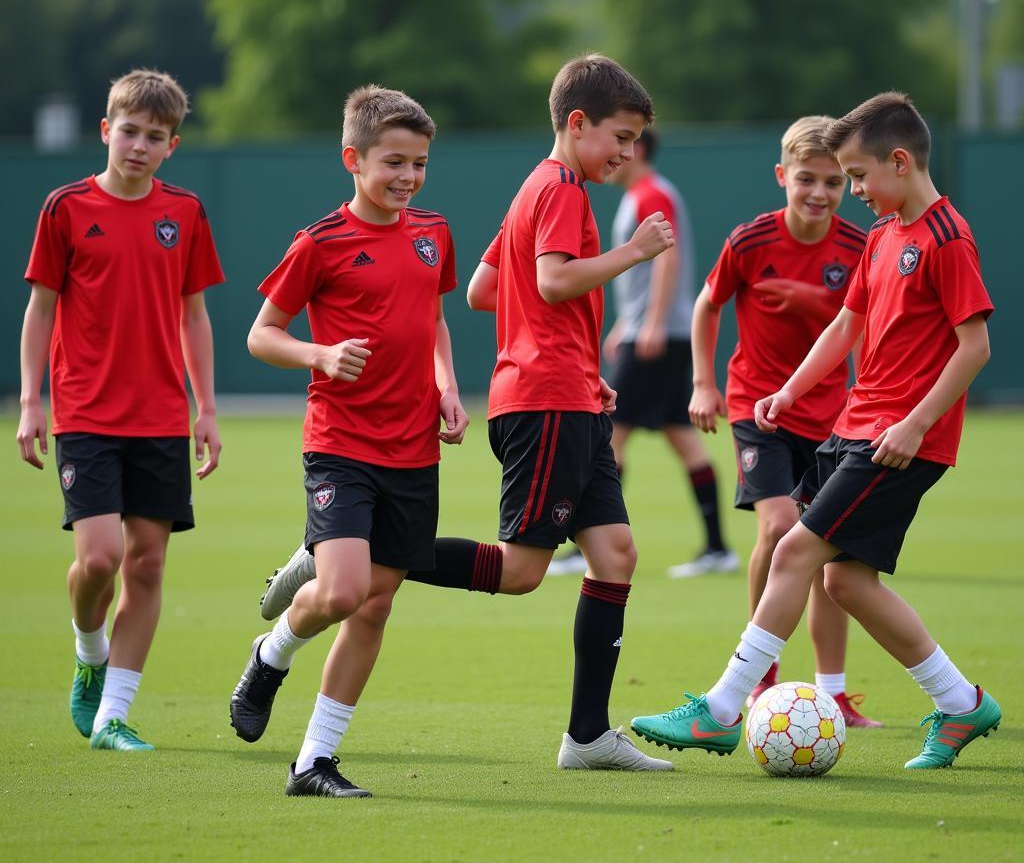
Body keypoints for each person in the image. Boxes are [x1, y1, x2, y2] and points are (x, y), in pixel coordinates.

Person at [260, 54, 677, 772]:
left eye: (636, 140)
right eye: (621, 135)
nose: (628, 153)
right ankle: (349, 554)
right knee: (519, 572)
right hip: (544, 400)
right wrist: (632, 253)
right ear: (577, 124)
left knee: (615, 554)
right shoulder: (563, 191)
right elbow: (549, 280)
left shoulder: (536, 190)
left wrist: (581, 362)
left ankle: (586, 735)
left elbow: (487, 290)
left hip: (569, 391)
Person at [630, 92, 1001, 770]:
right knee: (845, 582)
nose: (851, 190)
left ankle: (719, 712)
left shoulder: (947, 238)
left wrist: (916, 425)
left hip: (895, 438)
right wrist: (790, 391)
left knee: (794, 550)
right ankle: (960, 704)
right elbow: (845, 327)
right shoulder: (887, 236)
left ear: (899, 161)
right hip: (853, 426)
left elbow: (973, 347)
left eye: (856, 176)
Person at [228, 86, 468, 798]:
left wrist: (446, 383)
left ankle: (313, 763)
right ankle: (272, 656)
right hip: (340, 443)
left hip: (414, 450)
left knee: (376, 603)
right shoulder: (319, 242)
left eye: (419, 163)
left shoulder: (434, 232)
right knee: (342, 590)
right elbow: (260, 334)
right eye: (394, 162)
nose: (408, 177)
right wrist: (320, 355)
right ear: (353, 160)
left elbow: (433, 318)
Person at [17, 68, 224, 752]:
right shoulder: (66, 207)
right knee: (100, 559)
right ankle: (88, 647)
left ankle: (113, 715)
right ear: (106, 131)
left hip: (162, 415)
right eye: (129, 131)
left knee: (148, 564)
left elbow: (195, 316)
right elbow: (41, 307)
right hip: (84, 413)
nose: (139, 145)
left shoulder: (186, 213)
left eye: (155, 136)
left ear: (173, 146)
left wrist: (206, 408)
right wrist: (29, 401)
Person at [686, 116, 880, 727]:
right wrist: (702, 383)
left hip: (831, 416)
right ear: (781, 176)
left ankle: (835, 694)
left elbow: (863, 330)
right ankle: (759, 681)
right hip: (757, 409)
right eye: (806, 179)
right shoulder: (750, 241)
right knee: (778, 527)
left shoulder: (858, 247)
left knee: (830, 555)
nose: (819, 193)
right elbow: (708, 304)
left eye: (832, 182)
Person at [547, 128, 736, 580]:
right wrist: (626, 322)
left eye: (626, 143)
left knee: (607, 435)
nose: (618, 155)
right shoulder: (644, 193)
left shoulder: (652, 192)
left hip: (656, 335)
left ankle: (587, 546)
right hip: (655, 332)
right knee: (679, 436)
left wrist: (648, 323)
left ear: (641, 149)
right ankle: (716, 547)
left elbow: (665, 258)